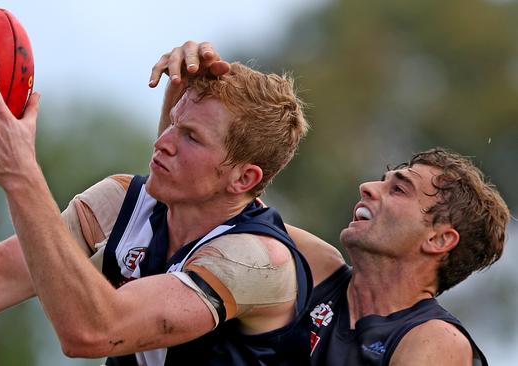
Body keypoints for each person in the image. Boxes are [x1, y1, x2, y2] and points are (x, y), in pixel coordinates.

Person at [0, 37, 314, 365]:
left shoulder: (258, 261)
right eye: (173, 123)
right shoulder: (123, 201)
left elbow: (92, 331)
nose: (162, 142)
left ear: (244, 178)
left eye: (191, 137)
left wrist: (20, 172)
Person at [161, 42, 510, 366]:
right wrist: (185, 95)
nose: (369, 187)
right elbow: (209, 204)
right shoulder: (318, 266)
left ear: (438, 240)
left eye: (399, 190)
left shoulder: (435, 341)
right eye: (383, 180)